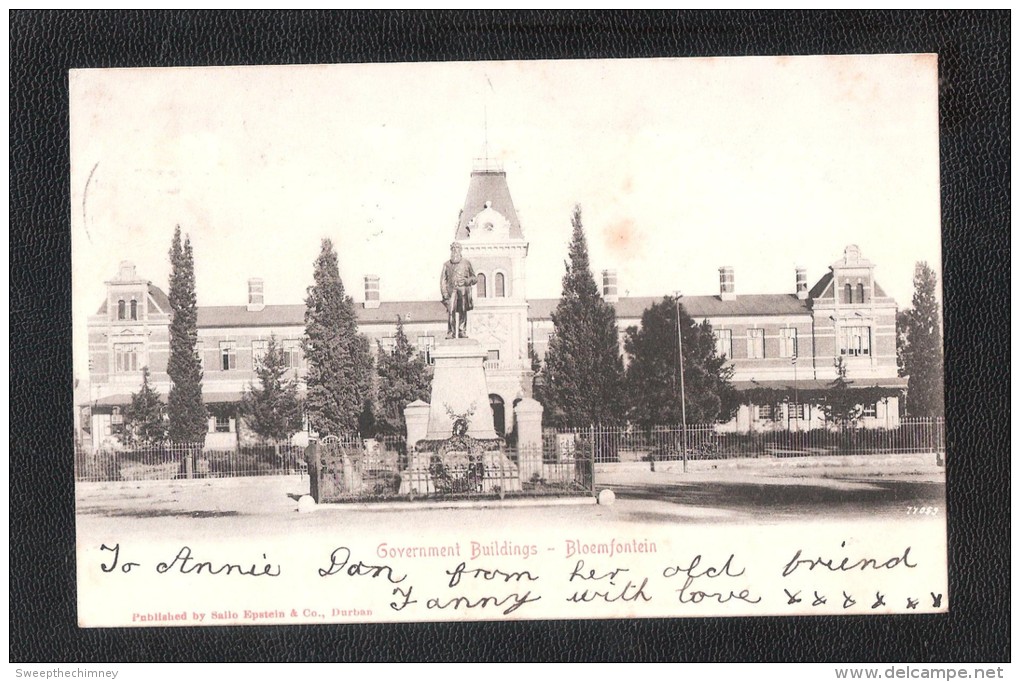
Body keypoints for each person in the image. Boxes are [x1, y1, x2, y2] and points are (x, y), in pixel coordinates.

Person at [440, 242, 477, 339]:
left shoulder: (466, 263)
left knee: (463, 311)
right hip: (451, 291)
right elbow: (443, 280)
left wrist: (467, 280)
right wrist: (444, 294)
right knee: (451, 311)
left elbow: (474, 278)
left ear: (460, 250)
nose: (455, 251)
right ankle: (451, 332)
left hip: (463, 291)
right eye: (453, 249)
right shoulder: (447, 264)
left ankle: (462, 331)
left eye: (457, 249)